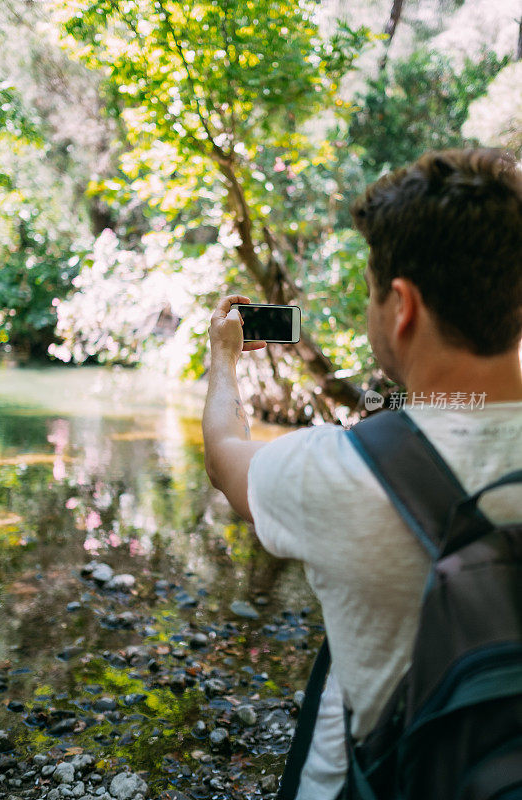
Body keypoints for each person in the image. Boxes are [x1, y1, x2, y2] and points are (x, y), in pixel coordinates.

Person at [201, 148, 522, 798]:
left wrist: (222, 358)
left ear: (401, 305)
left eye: (372, 289)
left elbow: (222, 453)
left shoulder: (335, 471)